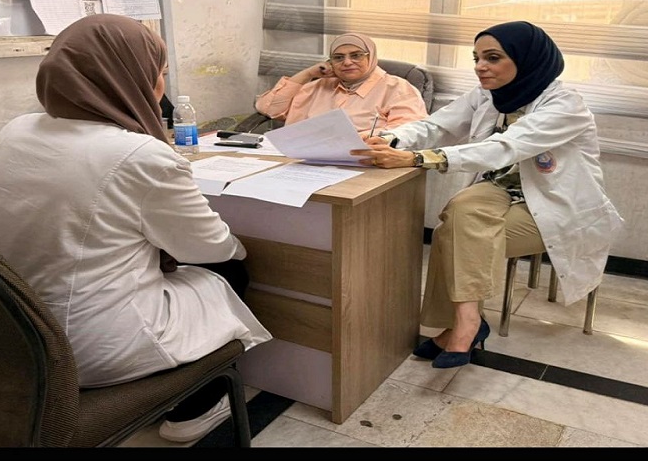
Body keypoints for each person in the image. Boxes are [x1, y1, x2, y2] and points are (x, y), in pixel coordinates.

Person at [0, 13, 272, 442]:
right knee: (232, 271)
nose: (161, 89)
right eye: (161, 75)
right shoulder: (139, 155)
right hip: (91, 346)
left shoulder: (17, 131)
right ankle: (194, 408)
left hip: (18, 332)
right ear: (129, 78)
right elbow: (209, 247)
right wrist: (238, 248)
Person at [351, 20, 623, 369]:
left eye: (493, 58)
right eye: (476, 57)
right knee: (464, 214)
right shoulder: (487, 95)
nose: (481, 67)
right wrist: (392, 139)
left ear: (527, 60)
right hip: (500, 191)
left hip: (555, 205)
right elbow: (437, 125)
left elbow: (505, 147)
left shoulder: (566, 106)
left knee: (456, 227)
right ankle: (467, 323)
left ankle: (459, 327)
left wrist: (418, 159)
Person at [254, 33, 429, 135]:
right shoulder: (319, 86)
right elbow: (269, 108)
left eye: (356, 55)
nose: (347, 62)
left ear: (371, 56)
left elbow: (407, 133)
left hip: (364, 162)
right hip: (302, 160)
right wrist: (307, 74)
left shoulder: (397, 88)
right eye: (338, 58)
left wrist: (356, 140)